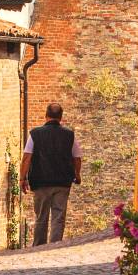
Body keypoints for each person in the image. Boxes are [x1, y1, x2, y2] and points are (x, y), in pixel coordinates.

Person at [20, 102, 82, 245]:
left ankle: (39, 246)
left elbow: (27, 158)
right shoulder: (69, 135)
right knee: (58, 216)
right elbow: (77, 158)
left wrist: (22, 179)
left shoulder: (34, 134)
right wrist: (77, 174)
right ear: (61, 117)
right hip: (62, 182)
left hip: (41, 181)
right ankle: (55, 245)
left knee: (41, 216)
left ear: (46, 116)